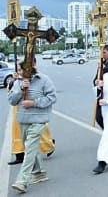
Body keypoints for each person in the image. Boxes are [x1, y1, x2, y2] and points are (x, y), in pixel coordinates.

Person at [8, 61, 57, 193]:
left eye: (20, 69)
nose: (18, 72)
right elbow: (12, 100)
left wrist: (34, 103)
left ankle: (22, 181)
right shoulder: (18, 82)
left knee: (29, 148)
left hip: (38, 120)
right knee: (31, 148)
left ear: (28, 68)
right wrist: (20, 88)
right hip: (23, 119)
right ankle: (39, 173)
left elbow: (52, 97)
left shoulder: (44, 79)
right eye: (18, 69)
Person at [93, 44, 108, 129]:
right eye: (102, 53)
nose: (103, 55)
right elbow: (95, 79)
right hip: (101, 94)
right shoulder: (102, 64)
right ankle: (107, 131)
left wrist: (104, 68)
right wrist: (96, 82)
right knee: (98, 116)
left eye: (104, 52)